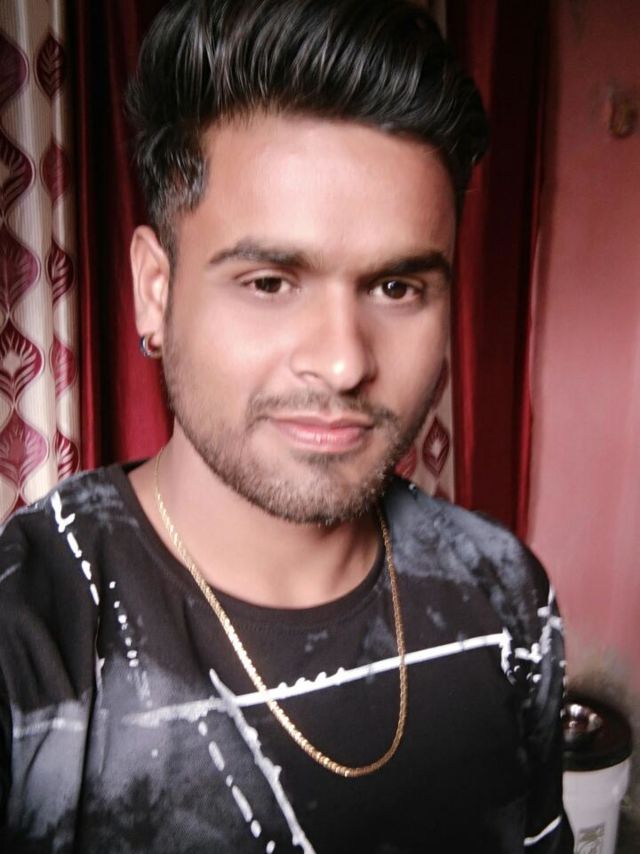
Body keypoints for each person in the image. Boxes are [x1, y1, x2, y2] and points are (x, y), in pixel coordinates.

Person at [0, 1, 573, 851]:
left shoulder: (508, 595)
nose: (342, 363)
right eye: (269, 283)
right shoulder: (32, 634)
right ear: (156, 289)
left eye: (397, 288)